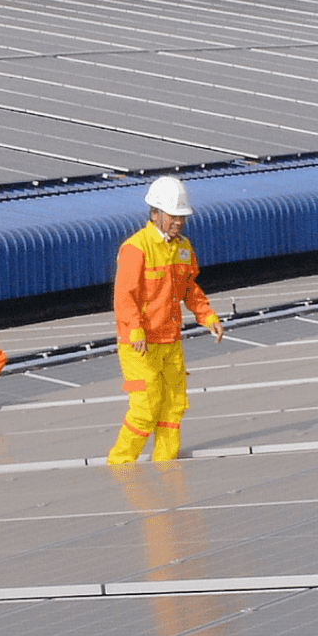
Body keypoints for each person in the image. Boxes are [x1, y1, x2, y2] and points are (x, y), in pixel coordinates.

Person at [106, 176, 225, 465]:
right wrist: (135, 331)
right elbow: (125, 297)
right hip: (140, 346)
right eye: (174, 216)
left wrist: (206, 315)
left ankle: (164, 466)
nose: (179, 222)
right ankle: (120, 465)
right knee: (145, 409)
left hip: (170, 342)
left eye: (182, 216)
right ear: (155, 213)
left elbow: (189, 288)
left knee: (172, 407)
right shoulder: (137, 248)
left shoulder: (183, 248)